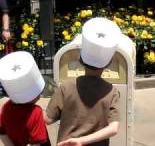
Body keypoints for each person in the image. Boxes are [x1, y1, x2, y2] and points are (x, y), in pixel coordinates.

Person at [45, 18, 121, 146]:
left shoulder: (66, 87)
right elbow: (113, 128)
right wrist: (81, 141)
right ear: (107, 63)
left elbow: (47, 119)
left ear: (81, 58)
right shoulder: (112, 92)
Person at [0, 51, 51, 146]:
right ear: (32, 95)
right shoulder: (36, 112)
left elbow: (2, 133)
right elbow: (37, 142)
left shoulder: (6, 107)